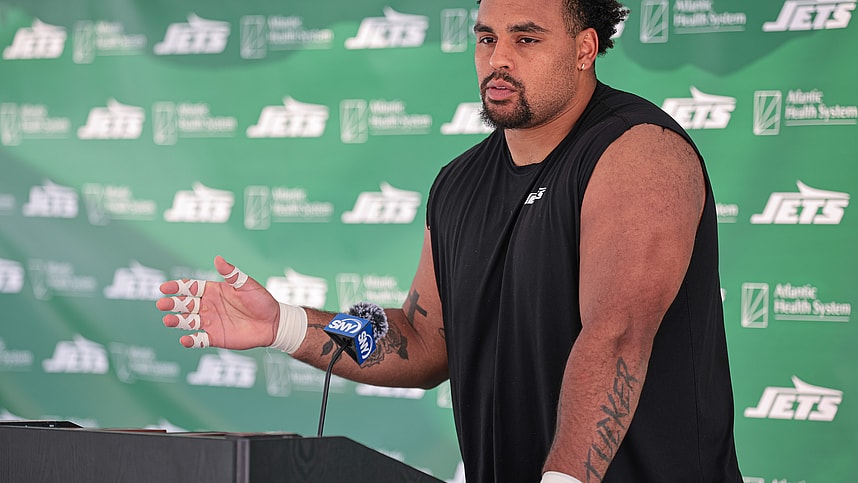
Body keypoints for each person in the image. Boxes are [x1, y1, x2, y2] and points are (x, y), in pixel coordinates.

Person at [156, 0, 743, 481]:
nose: (499, 60)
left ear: (585, 49)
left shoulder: (640, 153)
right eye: (486, 39)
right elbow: (422, 337)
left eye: (527, 39)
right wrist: (284, 325)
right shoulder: (460, 181)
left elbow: (617, 335)